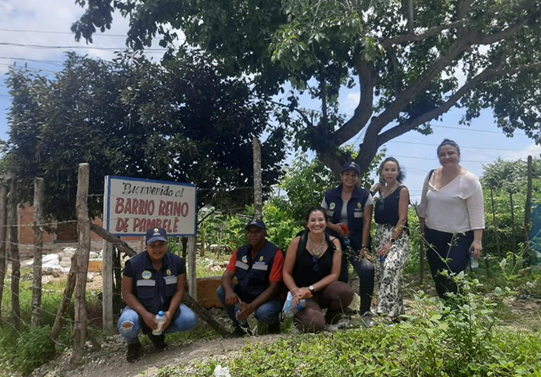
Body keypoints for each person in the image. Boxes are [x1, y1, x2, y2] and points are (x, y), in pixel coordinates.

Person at [418, 139, 485, 300]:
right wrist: (422, 231)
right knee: (438, 274)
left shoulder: (469, 180)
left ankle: (458, 311)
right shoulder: (431, 175)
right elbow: (423, 205)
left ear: (458, 155)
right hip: (433, 234)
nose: (447, 157)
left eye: (451, 153)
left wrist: (477, 240)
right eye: (442, 154)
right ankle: (446, 312)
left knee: (454, 273)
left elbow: (477, 212)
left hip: (459, 236)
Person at [118, 227, 196, 362]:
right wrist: (145, 315)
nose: (157, 249)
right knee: (127, 324)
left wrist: (169, 314)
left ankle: (156, 333)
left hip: (166, 309)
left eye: (161, 245)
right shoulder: (134, 264)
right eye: (152, 245)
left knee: (189, 320)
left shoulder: (177, 263)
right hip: (139, 310)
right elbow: (127, 294)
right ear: (146, 245)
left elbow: (179, 290)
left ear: (167, 244)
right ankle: (133, 343)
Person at [283, 207, 354, 332]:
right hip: (303, 296)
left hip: (324, 291)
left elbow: (334, 275)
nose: (317, 224)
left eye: (320, 220)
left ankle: (331, 320)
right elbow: (286, 273)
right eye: (313, 220)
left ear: (326, 223)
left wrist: (310, 288)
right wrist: (296, 292)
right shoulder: (297, 242)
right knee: (315, 324)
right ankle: (299, 319)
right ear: (307, 224)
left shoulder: (334, 243)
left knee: (345, 291)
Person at [322, 161, 375, 326]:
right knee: (340, 275)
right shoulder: (330, 195)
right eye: (347, 174)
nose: (350, 177)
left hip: (358, 241)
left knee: (367, 269)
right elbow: (323, 219)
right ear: (341, 176)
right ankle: (342, 314)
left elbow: (367, 222)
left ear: (358, 178)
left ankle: (365, 312)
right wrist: (333, 227)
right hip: (335, 241)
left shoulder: (365, 195)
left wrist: (364, 247)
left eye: (354, 175)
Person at [217, 219, 284, 337]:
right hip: (246, 293)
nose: (253, 235)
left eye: (257, 232)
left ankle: (273, 326)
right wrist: (229, 292)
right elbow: (227, 275)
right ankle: (240, 327)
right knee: (222, 291)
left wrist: (251, 307)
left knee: (264, 313)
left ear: (265, 233)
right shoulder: (240, 252)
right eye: (250, 232)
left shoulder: (275, 253)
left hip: (269, 297)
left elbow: (274, 288)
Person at [372, 157, 410, 321]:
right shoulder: (380, 190)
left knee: (390, 267)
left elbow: (402, 219)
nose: (389, 173)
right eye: (386, 169)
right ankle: (398, 312)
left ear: (398, 172)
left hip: (397, 236)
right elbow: (364, 197)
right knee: (383, 273)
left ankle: (385, 310)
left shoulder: (402, 190)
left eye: (393, 169)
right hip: (381, 234)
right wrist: (373, 188)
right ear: (381, 172)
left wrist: (391, 241)